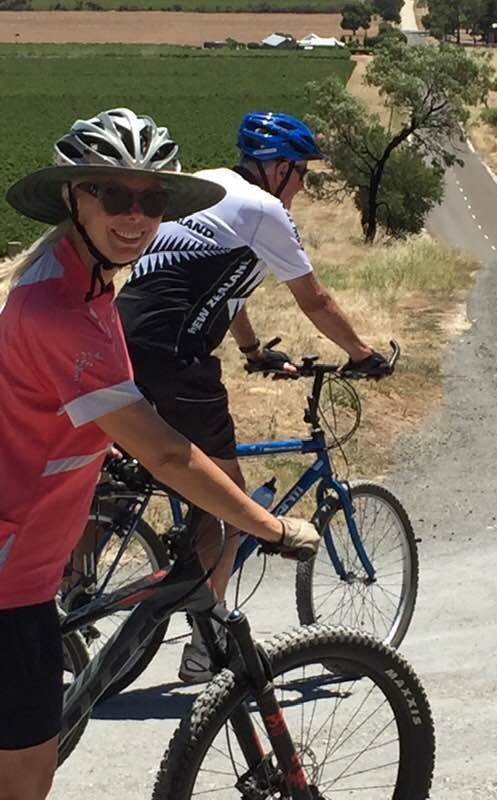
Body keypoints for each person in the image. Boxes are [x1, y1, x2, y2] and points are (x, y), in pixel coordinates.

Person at [0, 108, 319, 800]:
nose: (135, 216)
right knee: (25, 781)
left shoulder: (73, 276)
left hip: (24, 553)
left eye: (151, 200)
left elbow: (67, 407)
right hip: (11, 576)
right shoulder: (63, 309)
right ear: (74, 198)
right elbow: (170, 455)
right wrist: (267, 526)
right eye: (114, 195)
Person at [117, 111, 392, 683]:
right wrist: (364, 355)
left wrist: (250, 350)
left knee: (129, 476)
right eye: (303, 175)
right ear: (279, 167)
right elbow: (314, 300)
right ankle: (206, 644)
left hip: (120, 344)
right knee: (228, 503)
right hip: (177, 358)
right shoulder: (265, 209)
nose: (303, 187)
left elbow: (223, 289)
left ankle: (73, 584)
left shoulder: (207, 187)